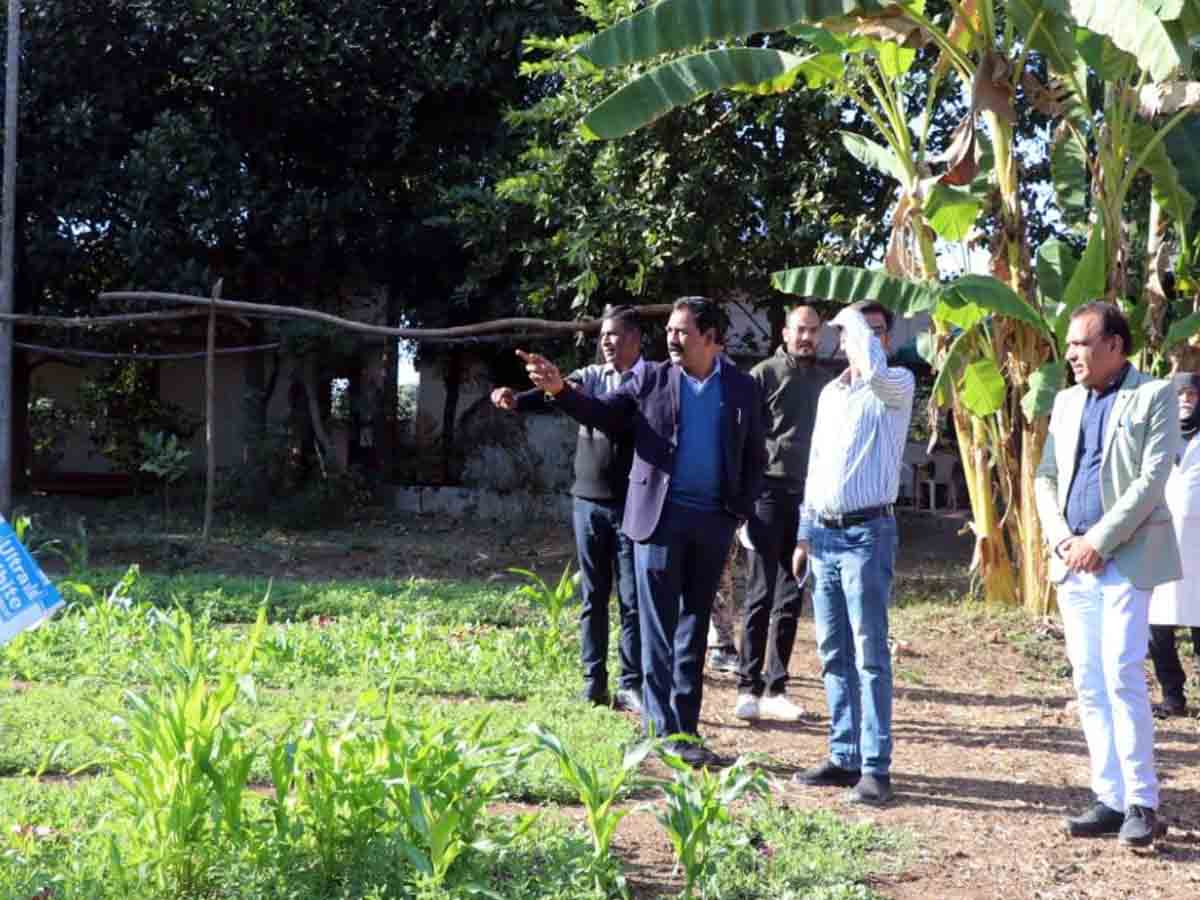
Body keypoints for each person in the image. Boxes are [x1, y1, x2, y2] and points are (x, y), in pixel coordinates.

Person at [520, 297, 766, 767]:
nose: (671, 338)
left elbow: (756, 453)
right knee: (657, 630)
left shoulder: (741, 388)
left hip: (712, 524)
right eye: (669, 330)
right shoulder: (652, 379)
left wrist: (738, 511)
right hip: (658, 522)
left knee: (694, 628)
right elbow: (605, 413)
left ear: (711, 338)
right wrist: (560, 391)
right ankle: (660, 731)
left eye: (682, 331)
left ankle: (684, 729)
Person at [1034, 301, 1180, 849]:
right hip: (1073, 560)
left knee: (1121, 673)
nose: (1071, 354)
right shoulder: (1067, 402)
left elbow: (1151, 479)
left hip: (1126, 557)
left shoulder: (1153, 395)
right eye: (1070, 344)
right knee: (1089, 680)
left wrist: (1098, 541)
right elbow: (1046, 476)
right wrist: (1063, 540)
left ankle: (1142, 802)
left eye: (1082, 343)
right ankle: (1109, 797)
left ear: (1115, 345)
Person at [491, 305, 645, 714]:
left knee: (632, 599)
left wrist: (560, 389)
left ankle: (631, 685)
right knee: (594, 596)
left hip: (633, 504)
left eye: (614, 334)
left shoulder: (647, 380)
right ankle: (593, 683)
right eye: (603, 335)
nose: (606, 341)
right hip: (587, 502)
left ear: (635, 339)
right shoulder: (591, 375)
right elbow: (558, 392)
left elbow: (604, 414)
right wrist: (518, 399)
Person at [791, 301, 914, 806]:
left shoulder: (896, 385)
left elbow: (877, 372)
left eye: (876, 330)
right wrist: (803, 533)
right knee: (833, 652)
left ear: (886, 339)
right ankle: (844, 755)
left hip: (867, 534)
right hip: (823, 535)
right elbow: (817, 465)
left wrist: (858, 325)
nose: (864, 338)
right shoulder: (831, 395)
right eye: (856, 331)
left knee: (869, 654)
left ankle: (875, 767)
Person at [735, 304, 830, 722]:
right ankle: (747, 686)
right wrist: (742, 500)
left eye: (813, 330)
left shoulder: (828, 382)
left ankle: (776, 687)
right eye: (800, 330)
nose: (806, 337)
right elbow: (741, 437)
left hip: (808, 497)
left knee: (792, 593)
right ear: (785, 333)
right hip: (767, 494)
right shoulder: (764, 375)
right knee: (760, 592)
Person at [1148, 372, 1200, 718]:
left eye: (1192, 394)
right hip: (1160, 541)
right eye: (1179, 394)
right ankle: (1172, 696)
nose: (1185, 400)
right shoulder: (1157, 437)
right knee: (1157, 625)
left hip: (1198, 545)